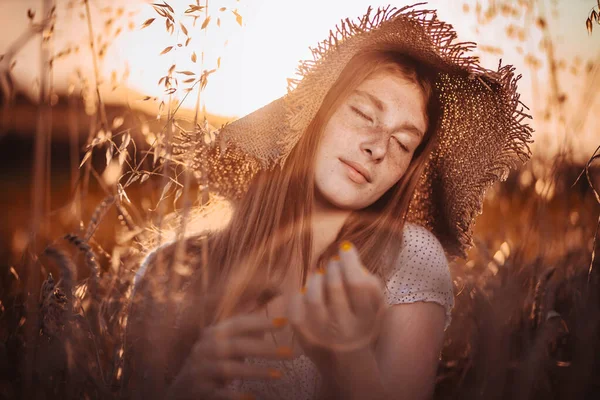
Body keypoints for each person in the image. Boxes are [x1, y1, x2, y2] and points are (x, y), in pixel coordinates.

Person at [126, 4, 533, 400]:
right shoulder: (169, 273)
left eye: (404, 142)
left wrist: (348, 359)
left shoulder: (408, 259)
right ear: (312, 115)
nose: (377, 147)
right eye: (362, 112)